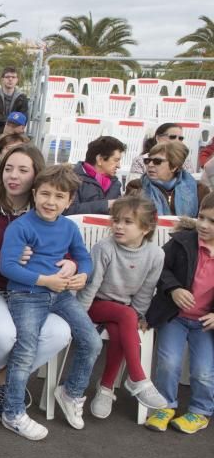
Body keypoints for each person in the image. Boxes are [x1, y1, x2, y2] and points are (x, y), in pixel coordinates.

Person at [0, 144, 73, 420]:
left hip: (33, 292)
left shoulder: (47, 209)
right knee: (3, 335)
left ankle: (2, 380)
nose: (13, 176)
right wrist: (5, 257)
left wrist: (73, 264)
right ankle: (11, 379)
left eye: (23, 170)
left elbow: (69, 249)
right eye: (8, 169)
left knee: (60, 332)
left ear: (36, 176)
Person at [0, 165, 103, 440]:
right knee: (25, 350)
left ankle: (71, 392)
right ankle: (13, 412)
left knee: (92, 341)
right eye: (45, 194)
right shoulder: (20, 226)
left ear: (69, 201)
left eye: (59, 196)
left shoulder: (68, 227)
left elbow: (85, 258)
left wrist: (82, 273)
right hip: (27, 295)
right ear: (34, 194)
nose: (50, 201)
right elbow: (8, 267)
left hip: (62, 294)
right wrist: (45, 280)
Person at [77, 197, 167, 418]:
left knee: (121, 328)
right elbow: (91, 285)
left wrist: (139, 315)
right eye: (116, 220)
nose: (118, 226)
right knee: (126, 315)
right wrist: (78, 316)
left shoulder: (156, 255)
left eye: (128, 222)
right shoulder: (104, 248)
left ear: (145, 228)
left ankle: (106, 389)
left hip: (123, 309)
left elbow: (146, 291)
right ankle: (137, 377)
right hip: (94, 304)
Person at [144, 193, 214, 435]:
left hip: (206, 324)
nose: (204, 225)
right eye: (201, 217)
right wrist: (173, 288)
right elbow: (159, 266)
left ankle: (201, 411)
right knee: (168, 362)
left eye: (212, 221)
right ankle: (165, 405)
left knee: (204, 371)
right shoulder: (182, 241)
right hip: (174, 317)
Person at [135, 141, 204, 217]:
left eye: (157, 161)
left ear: (174, 167)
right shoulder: (137, 186)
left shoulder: (199, 190)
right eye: (147, 161)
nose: (150, 165)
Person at [65, 135, 125, 215]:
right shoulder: (71, 178)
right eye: (116, 160)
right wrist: (106, 205)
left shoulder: (115, 184)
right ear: (100, 159)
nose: (119, 166)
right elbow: (67, 211)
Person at [0, 67, 29, 135]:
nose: (10, 79)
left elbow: (23, 121)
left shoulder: (22, 98)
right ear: (2, 79)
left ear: (17, 80)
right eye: (7, 77)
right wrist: (14, 120)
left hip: (14, 136)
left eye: (13, 77)